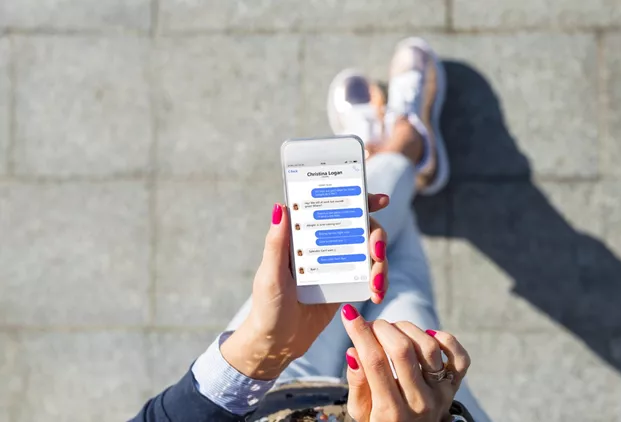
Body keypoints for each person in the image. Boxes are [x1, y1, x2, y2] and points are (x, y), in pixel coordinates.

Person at [132, 37, 489, 422]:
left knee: (390, 273)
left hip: (272, 398)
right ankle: (402, 149)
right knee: (411, 317)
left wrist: (263, 347)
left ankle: (394, 153)